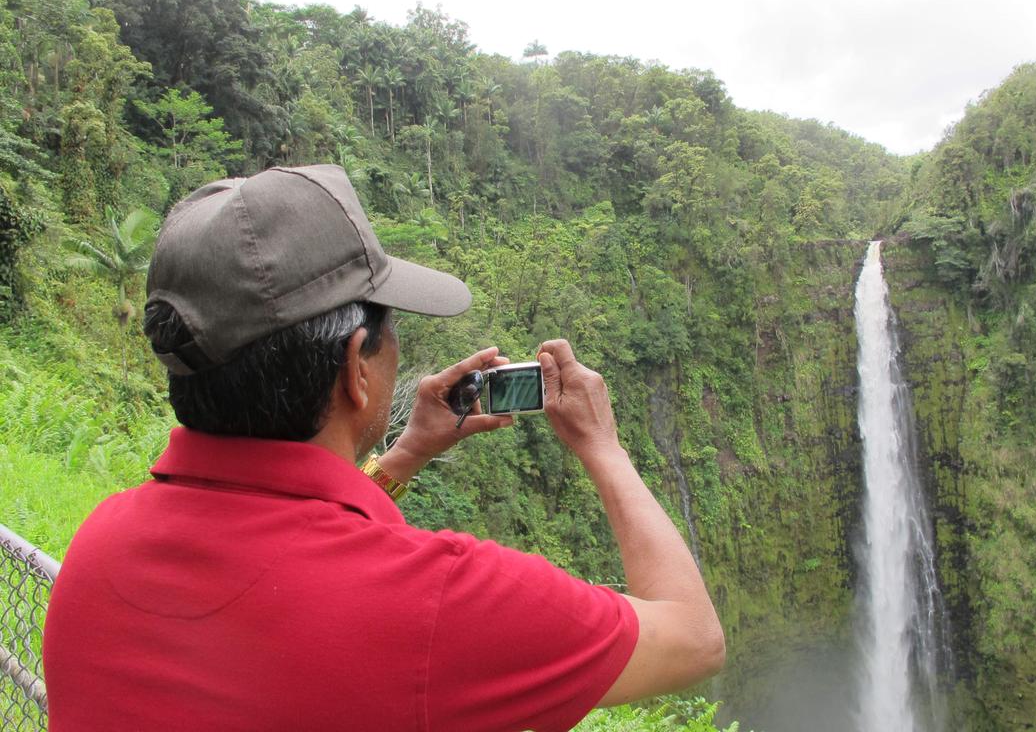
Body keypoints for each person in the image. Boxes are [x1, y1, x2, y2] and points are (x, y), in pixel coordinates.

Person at [42, 164, 724, 731]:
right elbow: (692, 638)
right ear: (355, 369)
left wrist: (404, 456)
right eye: (388, 331)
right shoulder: (439, 602)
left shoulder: (101, 547)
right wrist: (602, 446)